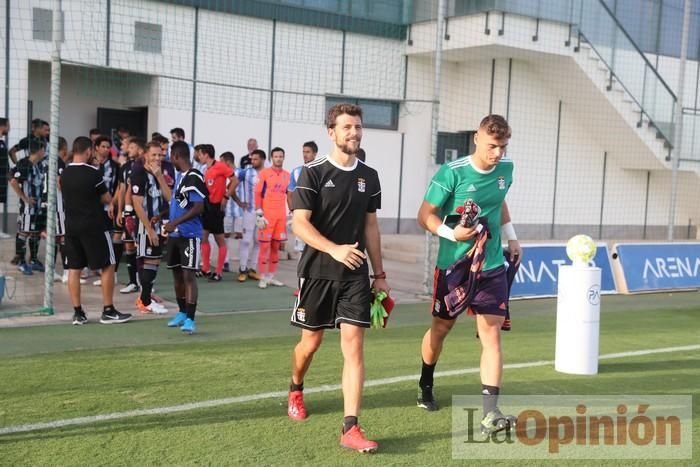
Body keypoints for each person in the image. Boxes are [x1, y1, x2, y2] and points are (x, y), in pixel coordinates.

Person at [288, 103, 388, 453]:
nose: (354, 133)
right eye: (347, 127)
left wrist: (380, 274)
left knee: (354, 346)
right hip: (317, 272)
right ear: (331, 132)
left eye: (358, 127)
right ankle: (296, 388)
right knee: (310, 345)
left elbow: (371, 227)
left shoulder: (370, 176)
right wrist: (333, 249)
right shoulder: (311, 172)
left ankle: (351, 427)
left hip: (356, 276)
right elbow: (299, 223)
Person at [415, 114, 522, 435]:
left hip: (490, 266)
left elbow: (499, 202)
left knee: (491, 336)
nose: (498, 153)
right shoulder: (452, 173)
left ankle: (491, 414)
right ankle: (425, 382)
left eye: (502, 146)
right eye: (492, 146)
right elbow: (424, 216)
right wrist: (452, 235)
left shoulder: (506, 170)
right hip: (454, 265)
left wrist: (511, 236)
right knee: (441, 328)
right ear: (476, 138)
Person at [61, 136, 131, 325]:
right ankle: (108, 310)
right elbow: (107, 198)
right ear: (89, 151)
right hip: (93, 225)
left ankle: (78, 313)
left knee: (74, 269)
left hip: (71, 226)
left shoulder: (65, 173)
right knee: (108, 264)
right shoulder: (93, 173)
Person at [164, 141, 207, 334]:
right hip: (174, 234)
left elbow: (199, 207)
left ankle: (191, 318)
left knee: (189, 275)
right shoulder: (180, 176)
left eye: (169, 156)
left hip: (189, 234)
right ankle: (181, 312)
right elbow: (178, 204)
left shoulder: (194, 176)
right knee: (176, 274)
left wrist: (176, 223)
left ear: (175, 156)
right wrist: (163, 215)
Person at [131, 141, 171, 314]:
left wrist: (160, 176)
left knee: (154, 261)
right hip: (145, 226)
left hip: (158, 224)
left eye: (160, 155)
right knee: (148, 261)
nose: (157, 158)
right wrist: (149, 229)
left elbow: (169, 198)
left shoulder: (158, 173)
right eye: (154, 154)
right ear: (145, 155)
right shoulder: (139, 173)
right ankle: (145, 301)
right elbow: (137, 204)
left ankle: (145, 298)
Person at [198, 144, 237, 282]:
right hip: (207, 206)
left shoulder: (220, 166)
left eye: (200, 154)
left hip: (216, 207)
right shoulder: (206, 169)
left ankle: (219, 272)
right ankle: (206, 268)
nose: (199, 157)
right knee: (204, 236)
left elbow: (234, 180)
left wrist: (226, 196)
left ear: (206, 154)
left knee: (219, 239)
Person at [255, 146, 290, 288]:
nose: (278, 158)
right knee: (264, 247)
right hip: (267, 216)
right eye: (276, 156)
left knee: (276, 247)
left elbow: (290, 194)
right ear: (271, 158)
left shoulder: (287, 175)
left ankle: (271, 276)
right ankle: (262, 277)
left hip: (281, 217)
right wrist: (259, 211)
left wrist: (292, 211)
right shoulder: (264, 173)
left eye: (281, 156)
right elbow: (258, 192)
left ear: (283, 157)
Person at [10, 141, 46, 275]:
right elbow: (13, 181)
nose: (45, 152)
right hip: (27, 208)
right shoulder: (25, 164)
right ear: (39, 151)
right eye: (44, 150)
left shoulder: (38, 165)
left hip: (38, 208)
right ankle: (21, 261)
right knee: (24, 232)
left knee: (35, 233)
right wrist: (25, 198)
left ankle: (34, 260)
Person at [116, 137, 144, 293]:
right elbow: (122, 190)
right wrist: (121, 210)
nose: (129, 149)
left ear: (140, 150)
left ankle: (144, 282)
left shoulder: (145, 166)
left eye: (132, 147)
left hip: (142, 211)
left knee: (142, 246)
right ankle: (133, 281)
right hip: (128, 211)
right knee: (129, 244)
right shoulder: (125, 167)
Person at [93, 135, 121, 287]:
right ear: (96, 147)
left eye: (107, 147)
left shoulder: (115, 166)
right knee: (94, 239)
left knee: (109, 239)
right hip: (91, 208)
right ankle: (94, 268)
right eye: (102, 146)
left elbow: (118, 186)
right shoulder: (90, 163)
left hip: (108, 208)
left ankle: (111, 273)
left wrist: (113, 203)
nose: (105, 149)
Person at [235, 149, 264, 282]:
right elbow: (231, 185)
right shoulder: (246, 172)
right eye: (252, 159)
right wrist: (239, 202)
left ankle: (252, 269)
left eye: (255, 159)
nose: (252, 161)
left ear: (262, 160)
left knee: (258, 241)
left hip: (262, 213)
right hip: (249, 212)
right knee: (246, 240)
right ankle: (242, 269)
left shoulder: (267, 173)